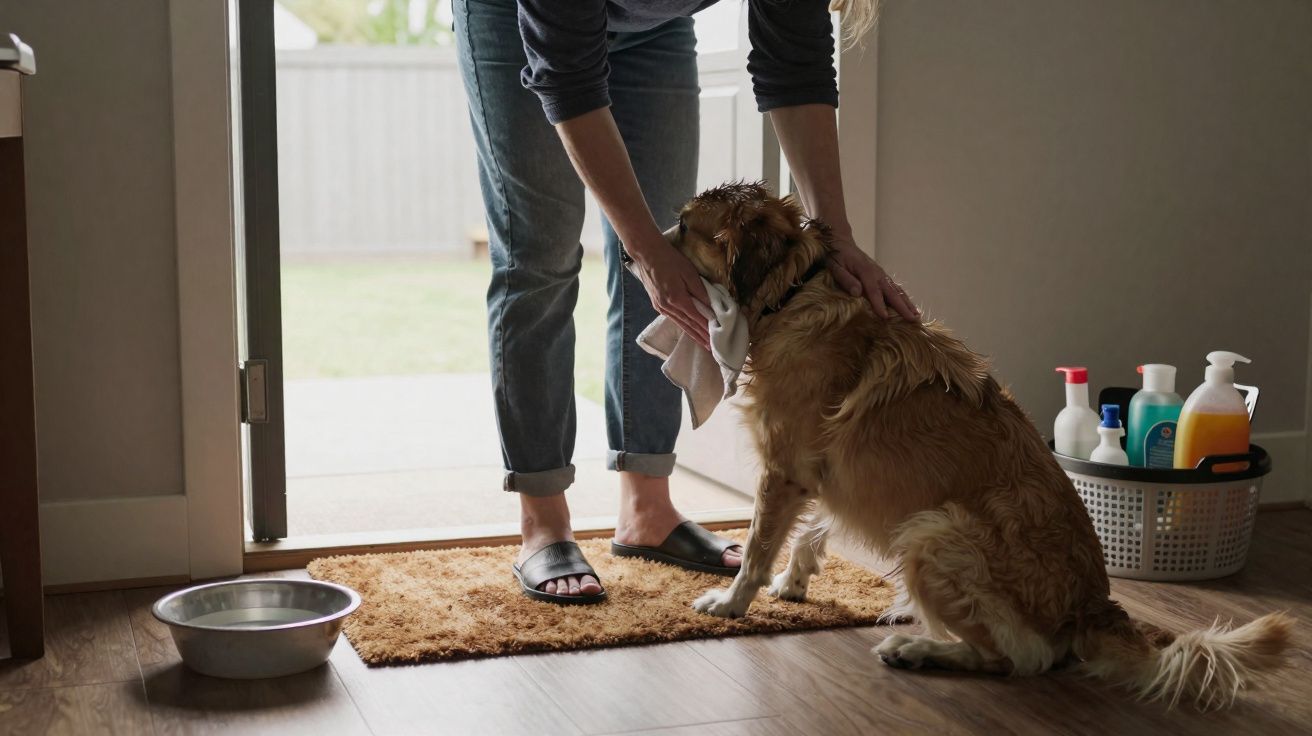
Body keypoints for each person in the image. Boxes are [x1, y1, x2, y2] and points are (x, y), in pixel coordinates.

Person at [452, 0, 916, 604]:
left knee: (682, 268)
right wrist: (644, 250)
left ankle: (647, 508)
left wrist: (836, 238)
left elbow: (795, 66)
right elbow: (565, 73)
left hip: (654, 32)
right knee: (538, 263)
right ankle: (544, 520)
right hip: (516, 22)